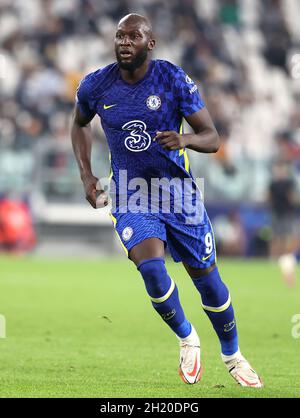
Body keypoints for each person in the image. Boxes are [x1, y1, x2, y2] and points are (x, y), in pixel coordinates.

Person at [71, 13, 262, 387]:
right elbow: (78, 123)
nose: (124, 42)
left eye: (133, 36)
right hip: (130, 193)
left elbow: (212, 137)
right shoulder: (96, 85)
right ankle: (187, 337)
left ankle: (233, 355)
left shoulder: (173, 79)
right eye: (119, 36)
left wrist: (185, 139)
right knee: (152, 270)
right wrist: (86, 174)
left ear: (150, 44)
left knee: (208, 282)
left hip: (179, 195)